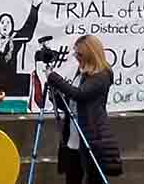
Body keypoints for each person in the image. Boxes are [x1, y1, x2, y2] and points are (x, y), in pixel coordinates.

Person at [47, 35, 123, 184]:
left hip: (91, 136)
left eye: (79, 54)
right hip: (73, 137)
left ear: (89, 54)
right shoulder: (81, 73)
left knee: (94, 179)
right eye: (75, 54)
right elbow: (72, 104)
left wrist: (54, 78)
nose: (76, 57)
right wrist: (55, 96)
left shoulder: (102, 75)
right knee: (72, 178)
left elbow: (80, 94)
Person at [0, 0, 44, 97]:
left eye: (8, 22)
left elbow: (28, 29)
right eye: (2, 22)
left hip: (10, 86)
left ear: (12, 26)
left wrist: (34, 7)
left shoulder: (15, 39)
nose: (5, 25)